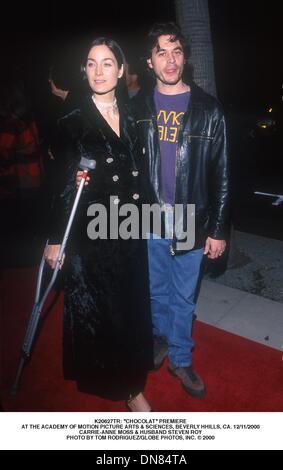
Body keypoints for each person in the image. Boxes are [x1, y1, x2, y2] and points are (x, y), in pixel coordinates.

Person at [44, 37, 153, 412]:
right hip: (92, 234)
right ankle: (127, 388)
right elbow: (59, 187)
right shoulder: (71, 123)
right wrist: (56, 239)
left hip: (130, 228)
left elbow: (143, 174)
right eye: (91, 63)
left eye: (107, 63)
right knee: (105, 312)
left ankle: (132, 372)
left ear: (122, 70)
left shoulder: (135, 114)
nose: (99, 71)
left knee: (132, 308)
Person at [131, 22, 230, 398]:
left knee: (184, 296)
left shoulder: (208, 109)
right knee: (155, 290)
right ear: (150, 61)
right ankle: (159, 339)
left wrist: (218, 229)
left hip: (190, 217)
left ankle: (181, 358)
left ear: (184, 57)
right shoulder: (137, 107)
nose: (170, 60)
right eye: (161, 52)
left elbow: (222, 174)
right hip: (148, 217)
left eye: (176, 51)